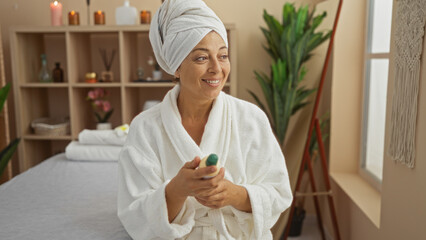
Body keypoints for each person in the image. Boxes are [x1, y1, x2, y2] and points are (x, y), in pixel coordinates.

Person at [117, 0, 293, 239]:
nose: (217, 68)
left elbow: (279, 193)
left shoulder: (251, 119)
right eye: (201, 58)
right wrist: (176, 191)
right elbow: (133, 213)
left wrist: (235, 194)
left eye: (223, 56)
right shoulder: (145, 129)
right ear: (175, 66)